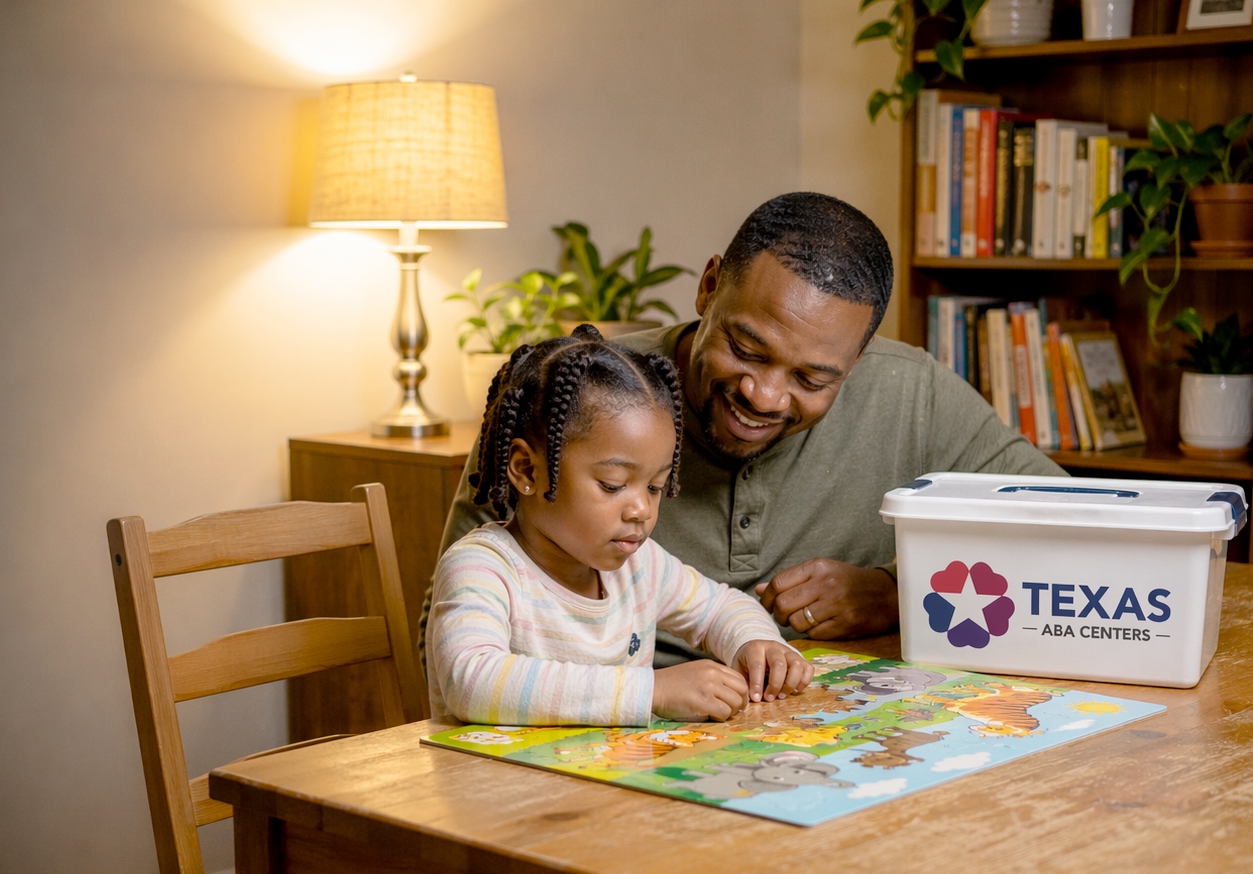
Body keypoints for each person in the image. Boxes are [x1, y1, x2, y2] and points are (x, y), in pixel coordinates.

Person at [428, 192, 1063, 665]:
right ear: (708, 289)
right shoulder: (572, 398)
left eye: (812, 380)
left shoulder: (911, 393)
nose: (763, 395)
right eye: (747, 348)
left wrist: (900, 589)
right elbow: (451, 637)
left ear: (856, 365)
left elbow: (1071, 532)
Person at [426, 325, 812, 726]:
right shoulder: (482, 568)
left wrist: (756, 642)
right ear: (527, 469)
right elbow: (471, 682)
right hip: (497, 785)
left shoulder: (640, 565)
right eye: (613, 485)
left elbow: (720, 607)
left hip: (609, 780)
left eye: (656, 486)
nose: (641, 510)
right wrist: (652, 690)